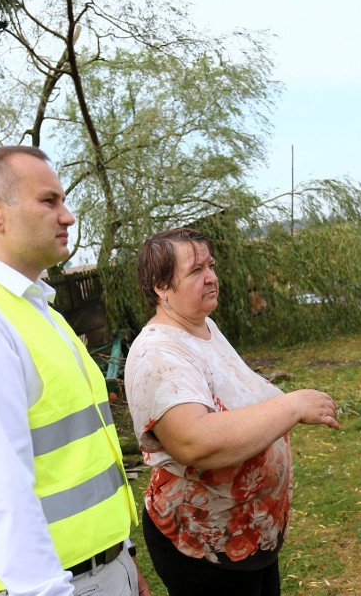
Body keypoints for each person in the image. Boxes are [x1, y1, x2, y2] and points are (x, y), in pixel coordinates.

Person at [0, 146, 151, 596]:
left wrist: (126, 560)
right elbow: (0, 490)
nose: (68, 216)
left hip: (104, 570)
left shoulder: (40, 312)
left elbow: (81, 462)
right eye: (49, 201)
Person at [124, 227, 340, 596]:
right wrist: (290, 406)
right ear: (161, 286)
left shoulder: (202, 326)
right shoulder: (157, 354)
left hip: (245, 537)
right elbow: (195, 442)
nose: (211, 277)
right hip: (203, 549)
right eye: (195, 271)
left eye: (211, 265)